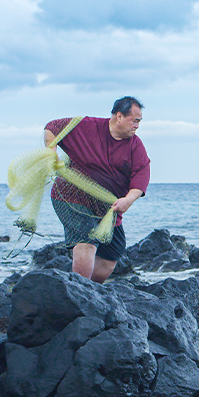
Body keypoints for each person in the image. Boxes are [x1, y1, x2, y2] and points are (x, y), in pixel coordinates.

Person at [43, 96, 150, 283]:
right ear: (119, 116)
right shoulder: (87, 126)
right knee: (87, 239)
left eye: (139, 122)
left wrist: (129, 199)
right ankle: (79, 293)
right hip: (70, 196)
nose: (137, 126)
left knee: (113, 251)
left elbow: (141, 174)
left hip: (107, 206)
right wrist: (51, 155)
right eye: (135, 121)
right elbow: (52, 127)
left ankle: (89, 290)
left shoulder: (135, 145)